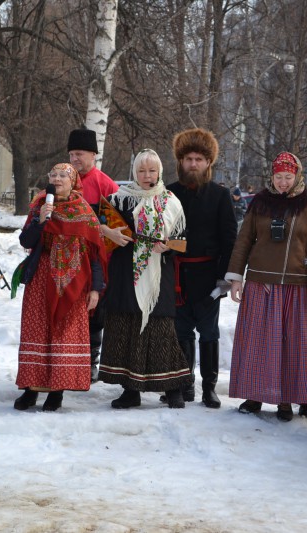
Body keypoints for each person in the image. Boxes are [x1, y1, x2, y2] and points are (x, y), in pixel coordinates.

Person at [226, 152, 307, 421]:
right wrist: (237, 277)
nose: (283, 182)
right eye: (278, 177)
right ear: (271, 176)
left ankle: (285, 399)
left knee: (290, 344)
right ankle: (254, 395)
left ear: (297, 176)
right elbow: (244, 239)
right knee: (257, 342)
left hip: (295, 284)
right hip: (260, 282)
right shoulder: (260, 201)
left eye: (288, 177)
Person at [97, 149, 193, 408]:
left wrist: (168, 245)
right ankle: (131, 389)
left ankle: (172, 386)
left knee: (161, 328)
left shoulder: (170, 200)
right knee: (126, 326)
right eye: (142, 170)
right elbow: (96, 228)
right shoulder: (119, 199)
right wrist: (110, 233)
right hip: (124, 273)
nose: (147, 175)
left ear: (159, 171)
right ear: (134, 172)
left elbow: (182, 242)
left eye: (152, 170)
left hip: (158, 273)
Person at [14, 163, 107, 412]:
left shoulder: (84, 211)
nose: (56, 179)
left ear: (73, 181)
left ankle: (57, 392)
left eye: (62, 176)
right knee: (37, 332)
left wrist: (96, 289)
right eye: (52, 175)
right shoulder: (39, 205)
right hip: (41, 276)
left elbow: (96, 255)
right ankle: (30, 389)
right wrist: (41, 221)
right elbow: (26, 240)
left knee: (62, 334)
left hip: (74, 281)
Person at [166, 128, 237, 408]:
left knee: (209, 332)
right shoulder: (169, 193)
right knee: (181, 331)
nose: (193, 164)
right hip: (178, 275)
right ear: (180, 161)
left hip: (209, 277)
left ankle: (209, 387)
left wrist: (224, 278)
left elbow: (229, 238)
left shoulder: (220, 195)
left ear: (209, 162)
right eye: (188, 159)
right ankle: (185, 384)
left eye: (199, 159)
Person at [67, 127, 119, 384]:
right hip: (66, 258)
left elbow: (117, 224)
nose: (74, 159)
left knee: (94, 311)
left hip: (96, 259)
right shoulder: (63, 180)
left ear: (92, 155)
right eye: (71, 154)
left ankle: (91, 363)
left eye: (79, 154)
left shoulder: (105, 184)